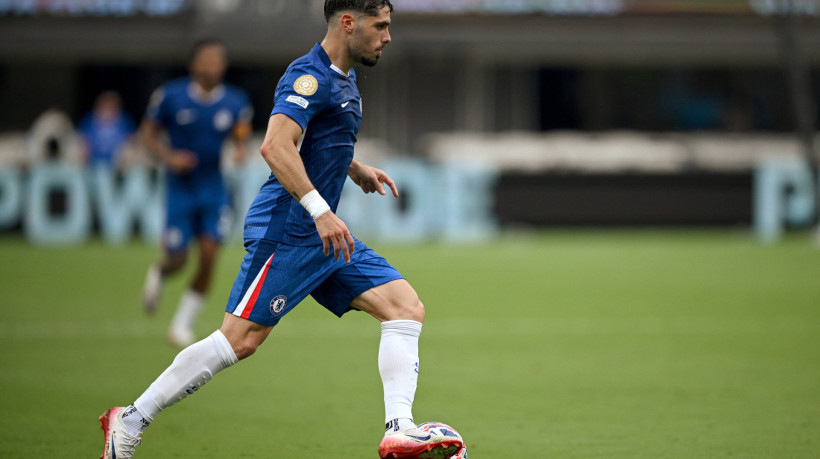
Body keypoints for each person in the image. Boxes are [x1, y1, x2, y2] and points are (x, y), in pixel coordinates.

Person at [99, 1, 464, 458]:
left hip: (323, 234)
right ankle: (129, 420)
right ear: (348, 23)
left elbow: (314, 139)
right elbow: (275, 145)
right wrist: (319, 209)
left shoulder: (344, 77)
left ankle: (399, 428)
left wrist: (351, 166)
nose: (388, 36)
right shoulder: (307, 76)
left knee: (404, 307)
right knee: (241, 339)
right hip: (289, 229)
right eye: (381, 25)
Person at [140, 38, 253, 347]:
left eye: (218, 60)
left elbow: (239, 135)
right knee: (178, 257)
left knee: (208, 256)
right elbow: (147, 134)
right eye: (206, 60)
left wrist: (239, 149)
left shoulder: (235, 101)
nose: (212, 66)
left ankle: (181, 325)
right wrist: (169, 158)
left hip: (214, 189)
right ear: (194, 64)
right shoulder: (170, 96)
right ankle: (160, 272)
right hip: (180, 189)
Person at [77, 91, 136, 168]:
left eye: (111, 106)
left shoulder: (125, 121)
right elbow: (80, 140)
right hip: (91, 163)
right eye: (104, 105)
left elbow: (132, 141)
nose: (107, 109)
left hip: (118, 165)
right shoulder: (89, 120)